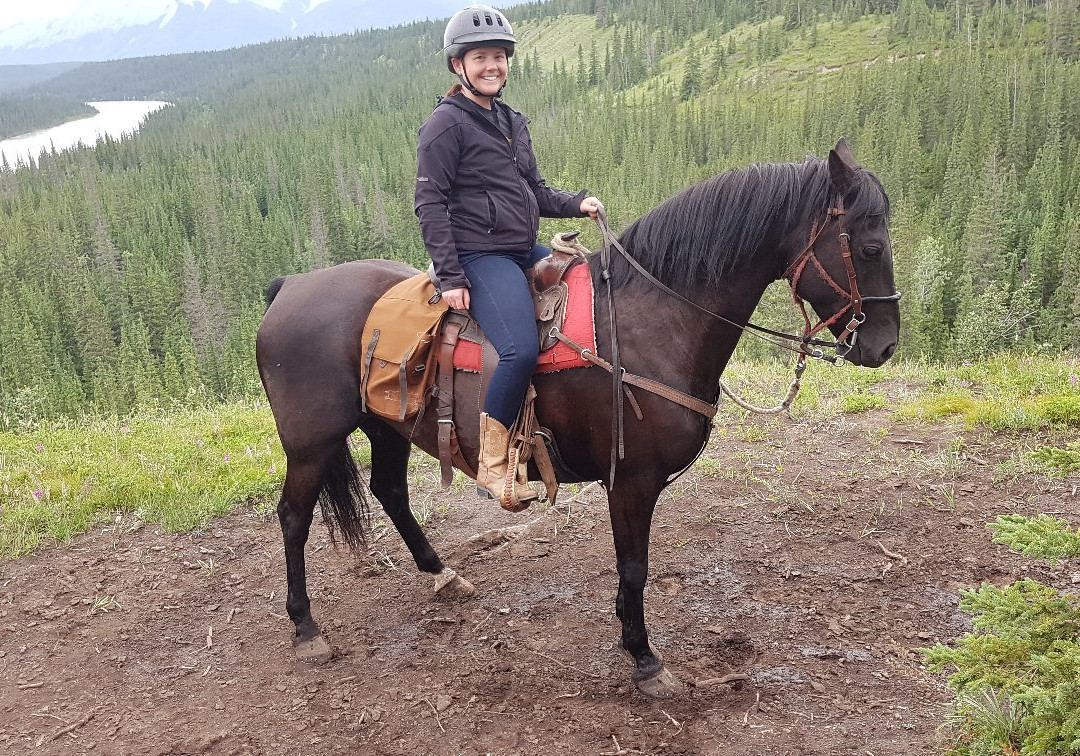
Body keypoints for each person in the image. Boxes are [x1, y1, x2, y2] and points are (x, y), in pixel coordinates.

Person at [415, 4, 601, 512]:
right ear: (458, 65)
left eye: (498, 56)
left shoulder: (511, 120)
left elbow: (533, 190)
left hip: (521, 247)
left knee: (590, 286)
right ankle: (493, 466)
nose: (492, 65)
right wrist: (451, 275)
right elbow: (429, 203)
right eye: (480, 58)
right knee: (518, 348)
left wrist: (576, 203)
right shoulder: (445, 125)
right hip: (479, 255)